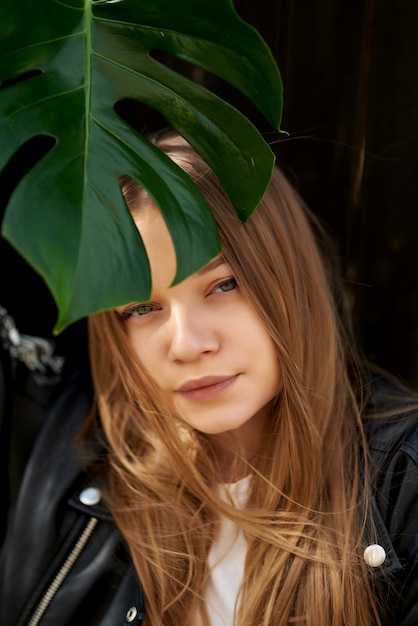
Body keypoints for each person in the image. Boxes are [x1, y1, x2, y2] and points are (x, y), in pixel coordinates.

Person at [1, 128, 418, 626]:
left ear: (289, 276)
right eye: (141, 307)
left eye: (224, 284)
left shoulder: (403, 484)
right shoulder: (78, 459)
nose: (187, 343)